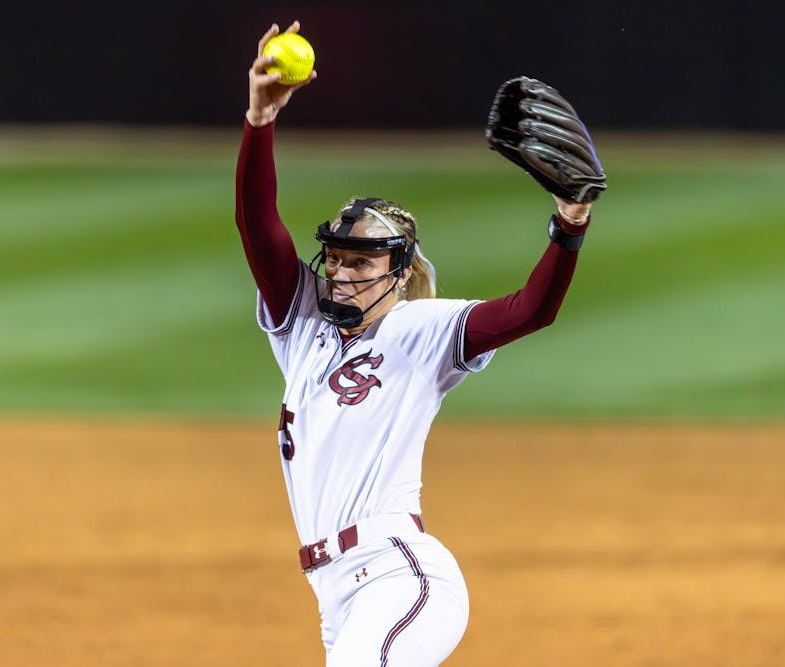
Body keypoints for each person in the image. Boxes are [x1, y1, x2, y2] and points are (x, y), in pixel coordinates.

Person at [237, 21, 599, 667]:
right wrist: (259, 119)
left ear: (399, 273)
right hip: (335, 594)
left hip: (399, 577)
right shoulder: (303, 332)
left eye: (362, 261)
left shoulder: (421, 330)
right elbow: (259, 228)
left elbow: (530, 309)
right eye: (337, 258)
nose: (343, 272)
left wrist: (569, 225)